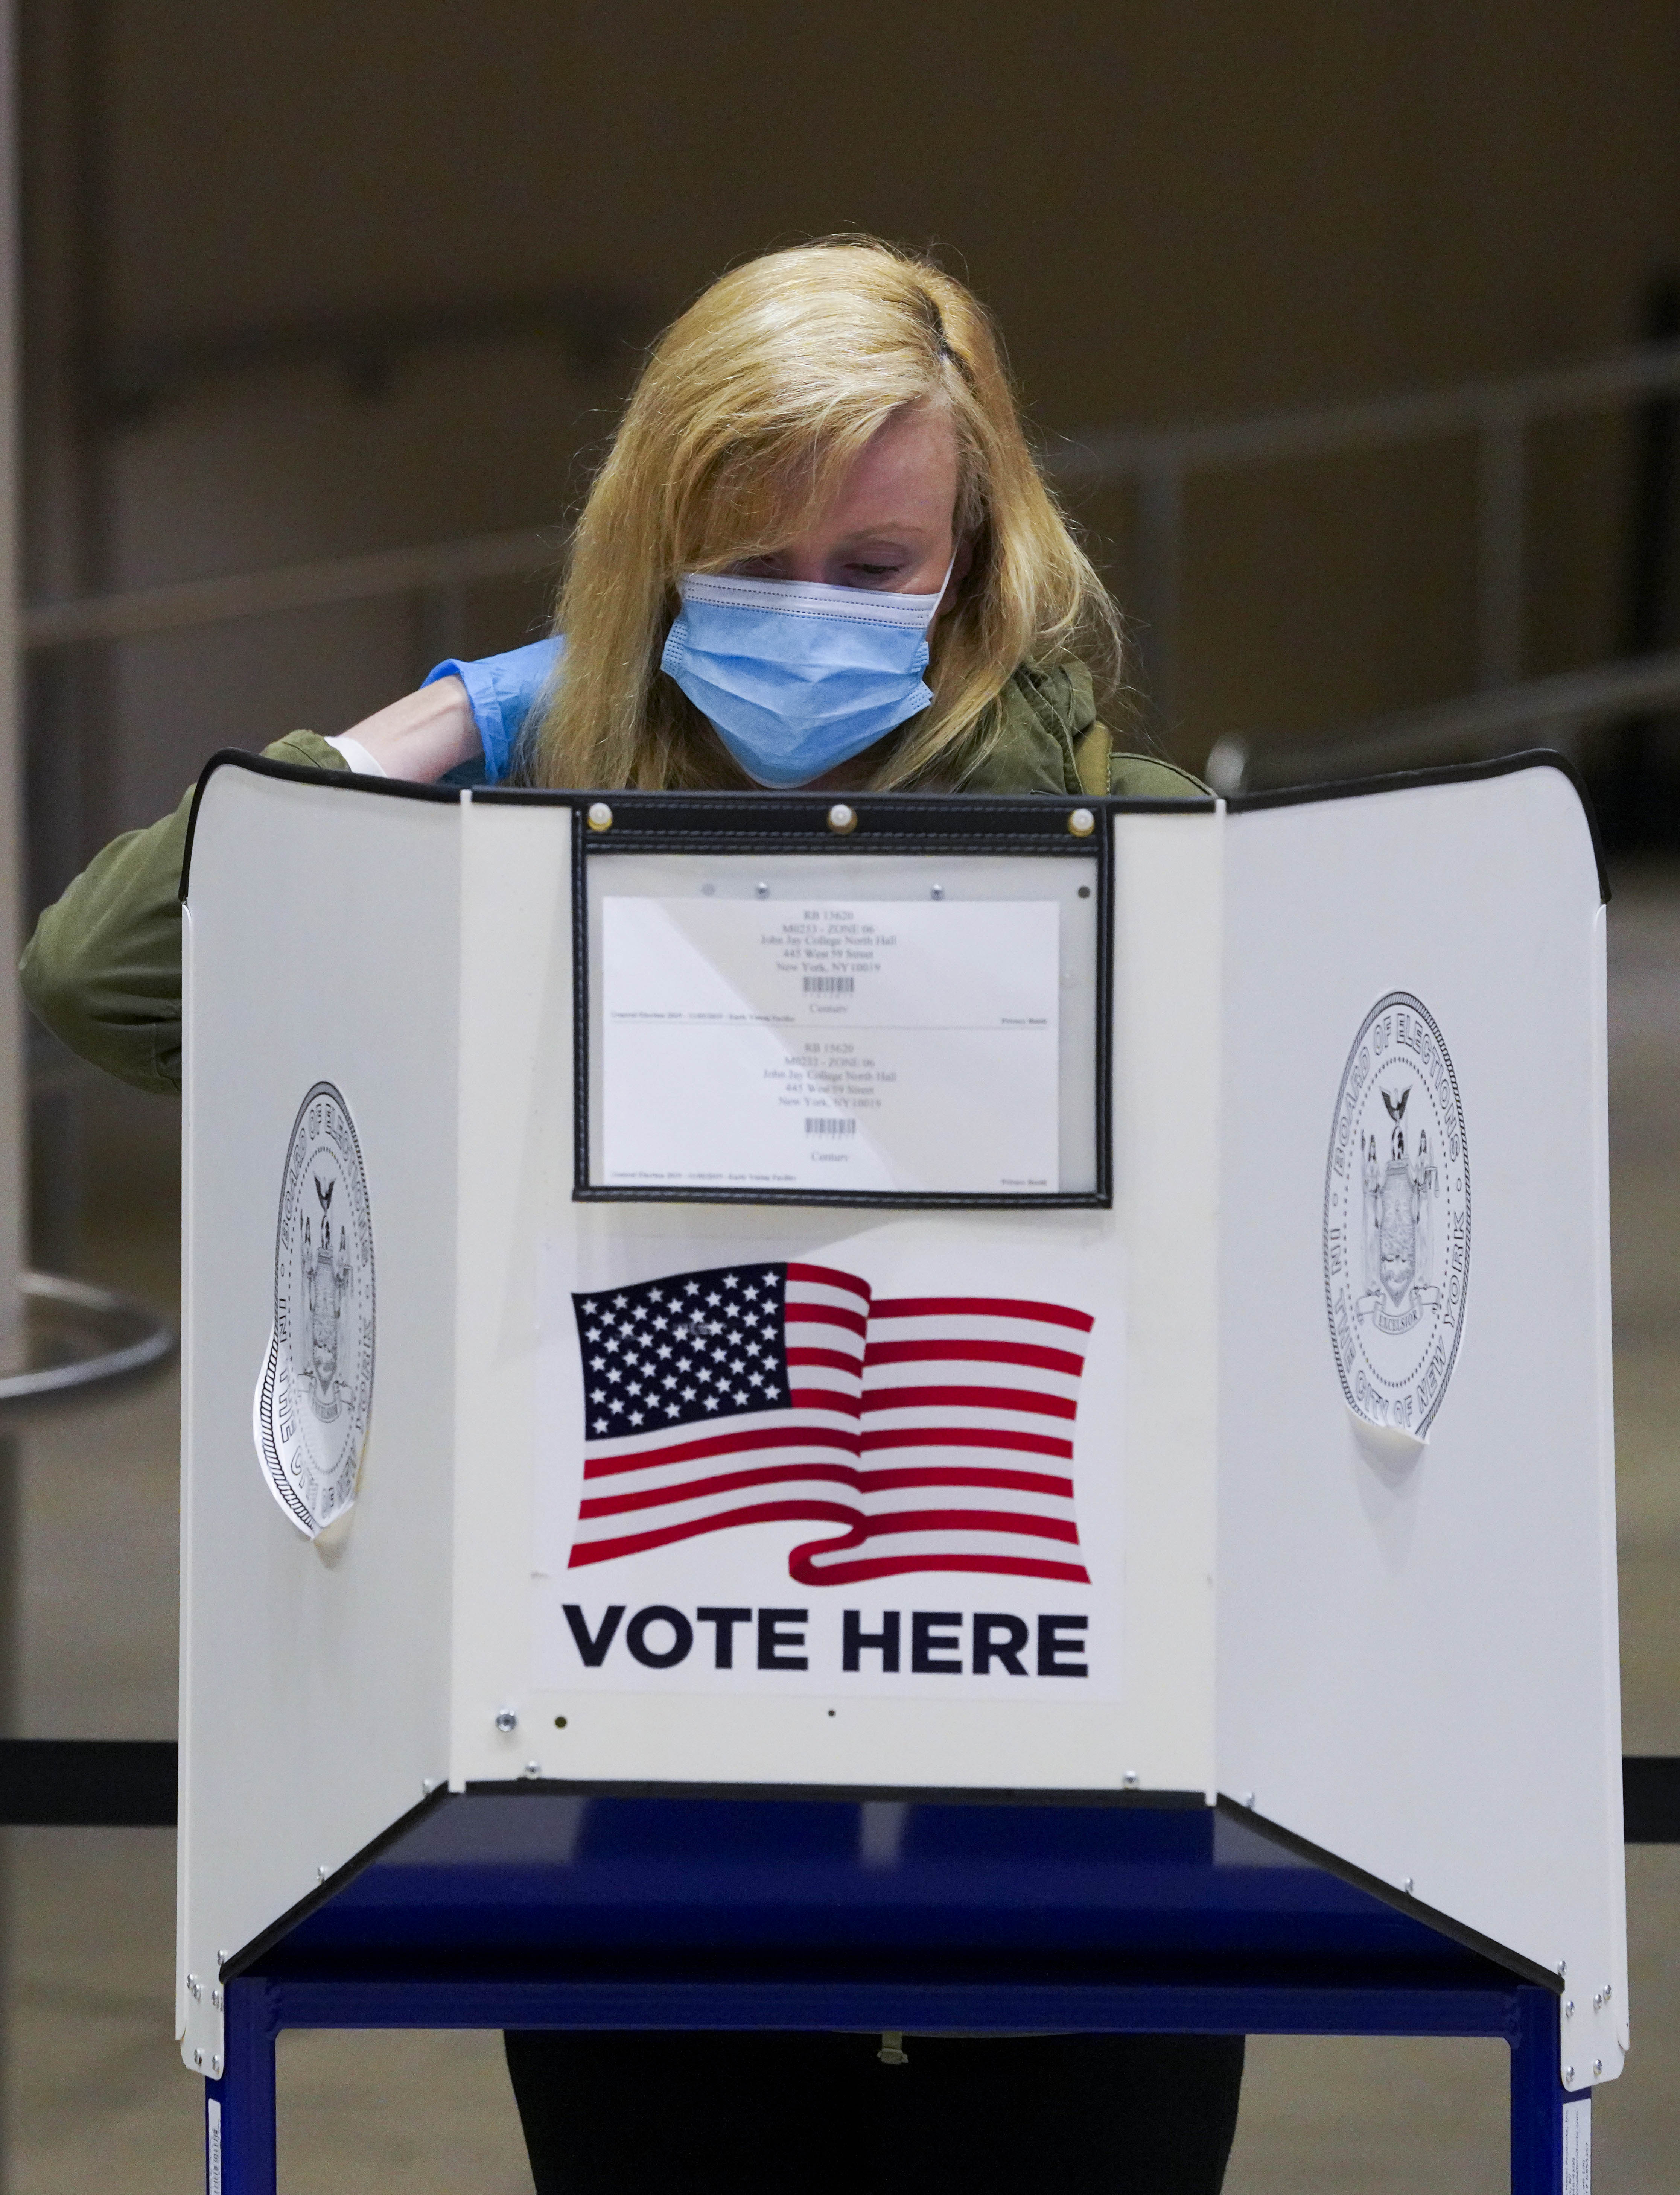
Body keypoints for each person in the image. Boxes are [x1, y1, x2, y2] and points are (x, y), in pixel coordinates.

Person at [21, 239, 1239, 2193]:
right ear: (650, 551)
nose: (809, 616)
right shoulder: (525, 855)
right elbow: (111, 976)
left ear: (977, 567)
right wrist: (465, 722)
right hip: (654, 1712)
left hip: (1052, 1735)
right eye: (748, 563)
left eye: (872, 570)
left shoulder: (1138, 848)